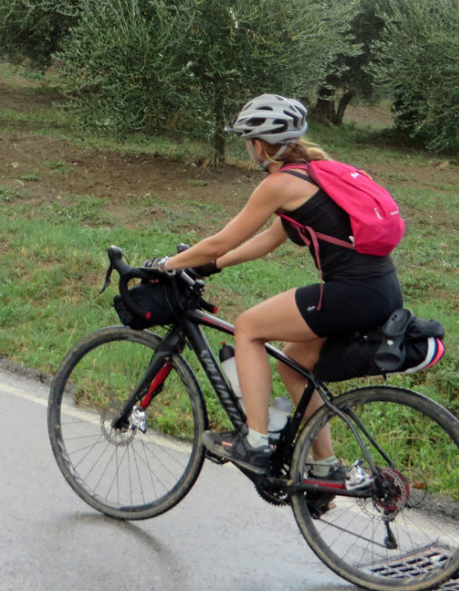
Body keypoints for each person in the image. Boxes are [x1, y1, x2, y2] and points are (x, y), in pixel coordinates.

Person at [149, 93, 403, 475]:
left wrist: (166, 264)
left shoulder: (279, 185)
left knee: (249, 328)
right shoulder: (314, 173)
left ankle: (255, 441)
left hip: (352, 293)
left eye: (247, 142)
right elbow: (267, 240)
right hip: (379, 290)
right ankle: (326, 466)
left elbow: (223, 238)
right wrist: (211, 266)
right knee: (295, 363)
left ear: (259, 145)